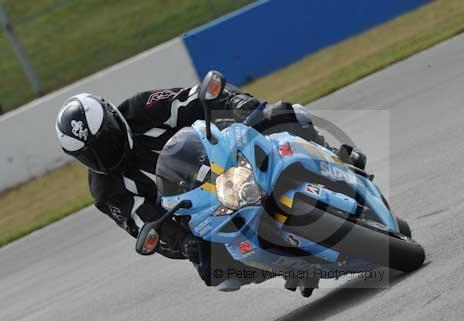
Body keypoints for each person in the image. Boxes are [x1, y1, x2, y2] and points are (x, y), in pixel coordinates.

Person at [55, 83, 365, 290]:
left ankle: (333, 157)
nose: (103, 154)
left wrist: (237, 104)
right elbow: (144, 225)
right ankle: (290, 266)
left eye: (105, 141)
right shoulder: (106, 190)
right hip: (202, 209)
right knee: (215, 272)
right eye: (90, 154)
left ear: (113, 118)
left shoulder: (143, 108)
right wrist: (182, 243)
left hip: (226, 155)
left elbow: (198, 98)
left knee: (278, 114)